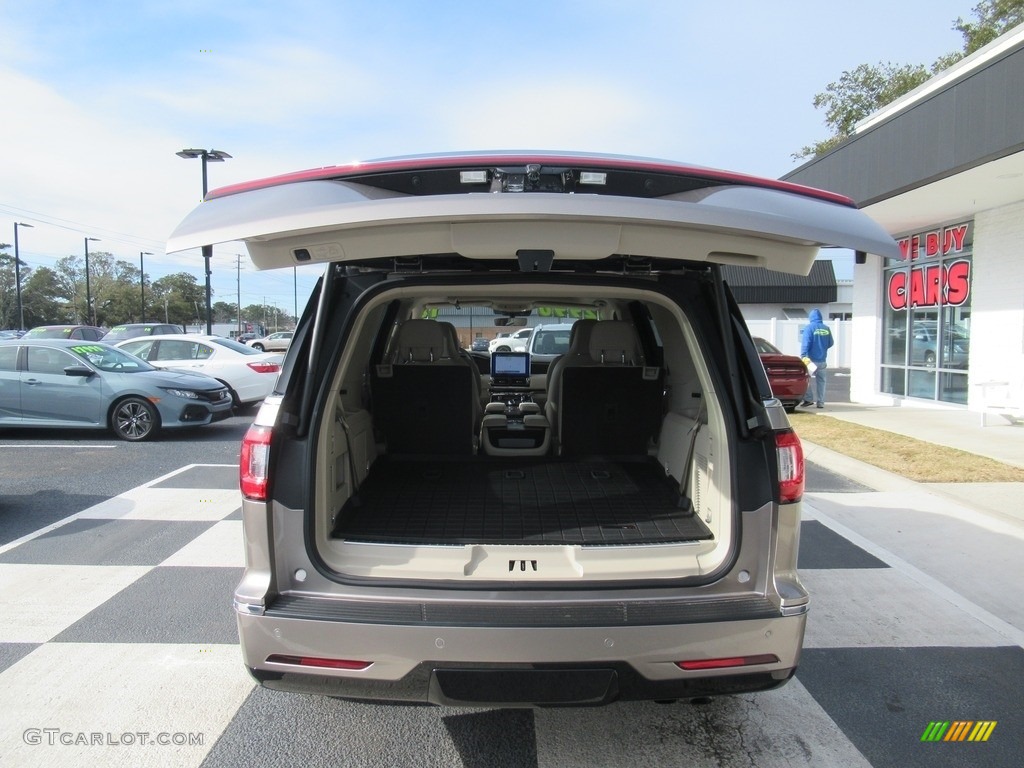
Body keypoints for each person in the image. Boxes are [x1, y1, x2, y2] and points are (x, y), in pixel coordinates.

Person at [799, 308, 834, 409]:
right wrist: (822, 348)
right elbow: (831, 343)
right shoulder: (826, 328)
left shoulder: (809, 328)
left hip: (810, 360)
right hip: (822, 360)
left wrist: (803, 356)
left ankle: (808, 399)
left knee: (805, 379)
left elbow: (806, 343)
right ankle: (820, 402)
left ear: (811, 318)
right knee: (821, 382)